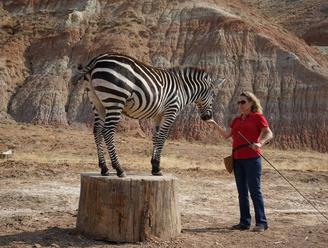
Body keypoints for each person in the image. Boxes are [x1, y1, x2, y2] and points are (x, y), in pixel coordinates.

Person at [212, 91, 273, 232]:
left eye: (243, 102)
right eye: (239, 102)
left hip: (253, 158)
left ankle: (262, 223)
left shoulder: (258, 117)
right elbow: (226, 135)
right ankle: (244, 222)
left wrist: (260, 143)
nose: (240, 104)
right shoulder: (237, 119)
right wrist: (214, 123)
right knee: (242, 192)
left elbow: (269, 133)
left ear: (251, 103)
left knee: (254, 191)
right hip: (237, 159)